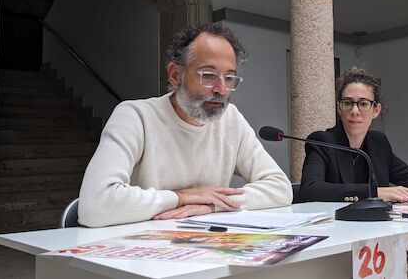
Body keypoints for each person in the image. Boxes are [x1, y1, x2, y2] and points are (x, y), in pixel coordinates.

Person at [78, 23, 292, 227]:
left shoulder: (231, 119)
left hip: (205, 244)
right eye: (208, 75)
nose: (221, 89)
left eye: (229, 78)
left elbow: (280, 188)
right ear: (175, 75)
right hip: (142, 245)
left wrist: (213, 205)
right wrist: (181, 197)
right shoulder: (135, 117)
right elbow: (95, 205)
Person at [299, 67, 408, 203]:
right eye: (347, 103)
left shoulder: (378, 143)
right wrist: (374, 192)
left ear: (376, 110)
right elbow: (310, 189)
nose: (355, 111)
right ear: (339, 107)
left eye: (363, 104)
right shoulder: (322, 141)